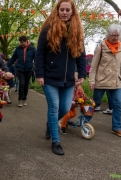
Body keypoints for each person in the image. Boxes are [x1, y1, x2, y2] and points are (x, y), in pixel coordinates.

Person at [35, 0, 86, 155]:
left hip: (69, 79)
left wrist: (82, 74)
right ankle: (56, 141)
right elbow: (40, 53)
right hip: (49, 77)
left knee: (64, 108)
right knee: (54, 108)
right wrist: (40, 74)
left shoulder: (76, 31)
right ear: (57, 11)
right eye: (61, 9)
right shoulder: (48, 29)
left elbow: (81, 55)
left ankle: (50, 124)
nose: (64, 12)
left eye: (67, 10)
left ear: (72, 12)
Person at [89, 24, 121, 138]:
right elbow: (93, 66)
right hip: (101, 81)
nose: (116, 38)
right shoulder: (101, 47)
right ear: (108, 35)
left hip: (116, 82)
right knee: (94, 103)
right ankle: (85, 120)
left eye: (118, 35)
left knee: (117, 104)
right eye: (113, 35)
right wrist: (91, 81)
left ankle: (117, 128)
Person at [7, 36, 36, 107]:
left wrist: (35, 69)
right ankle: (20, 100)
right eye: (20, 42)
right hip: (20, 69)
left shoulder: (33, 49)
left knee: (26, 85)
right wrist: (5, 66)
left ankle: (24, 99)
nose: (21, 44)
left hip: (28, 70)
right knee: (21, 84)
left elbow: (36, 60)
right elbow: (13, 58)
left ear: (27, 41)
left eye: (22, 42)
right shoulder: (18, 49)